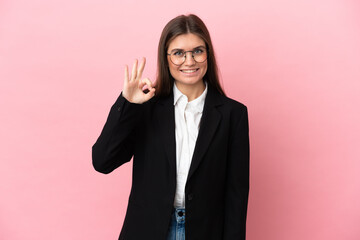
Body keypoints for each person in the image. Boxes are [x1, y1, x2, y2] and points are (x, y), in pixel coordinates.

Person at [92, 14, 249, 240]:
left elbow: (237, 195)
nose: (189, 61)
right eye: (178, 53)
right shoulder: (146, 108)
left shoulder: (233, 114)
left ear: (208, 54)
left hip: (206, 231)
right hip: (148, 230)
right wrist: (127, 104)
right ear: (166, 59)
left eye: (197, 51)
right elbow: (102, 161)